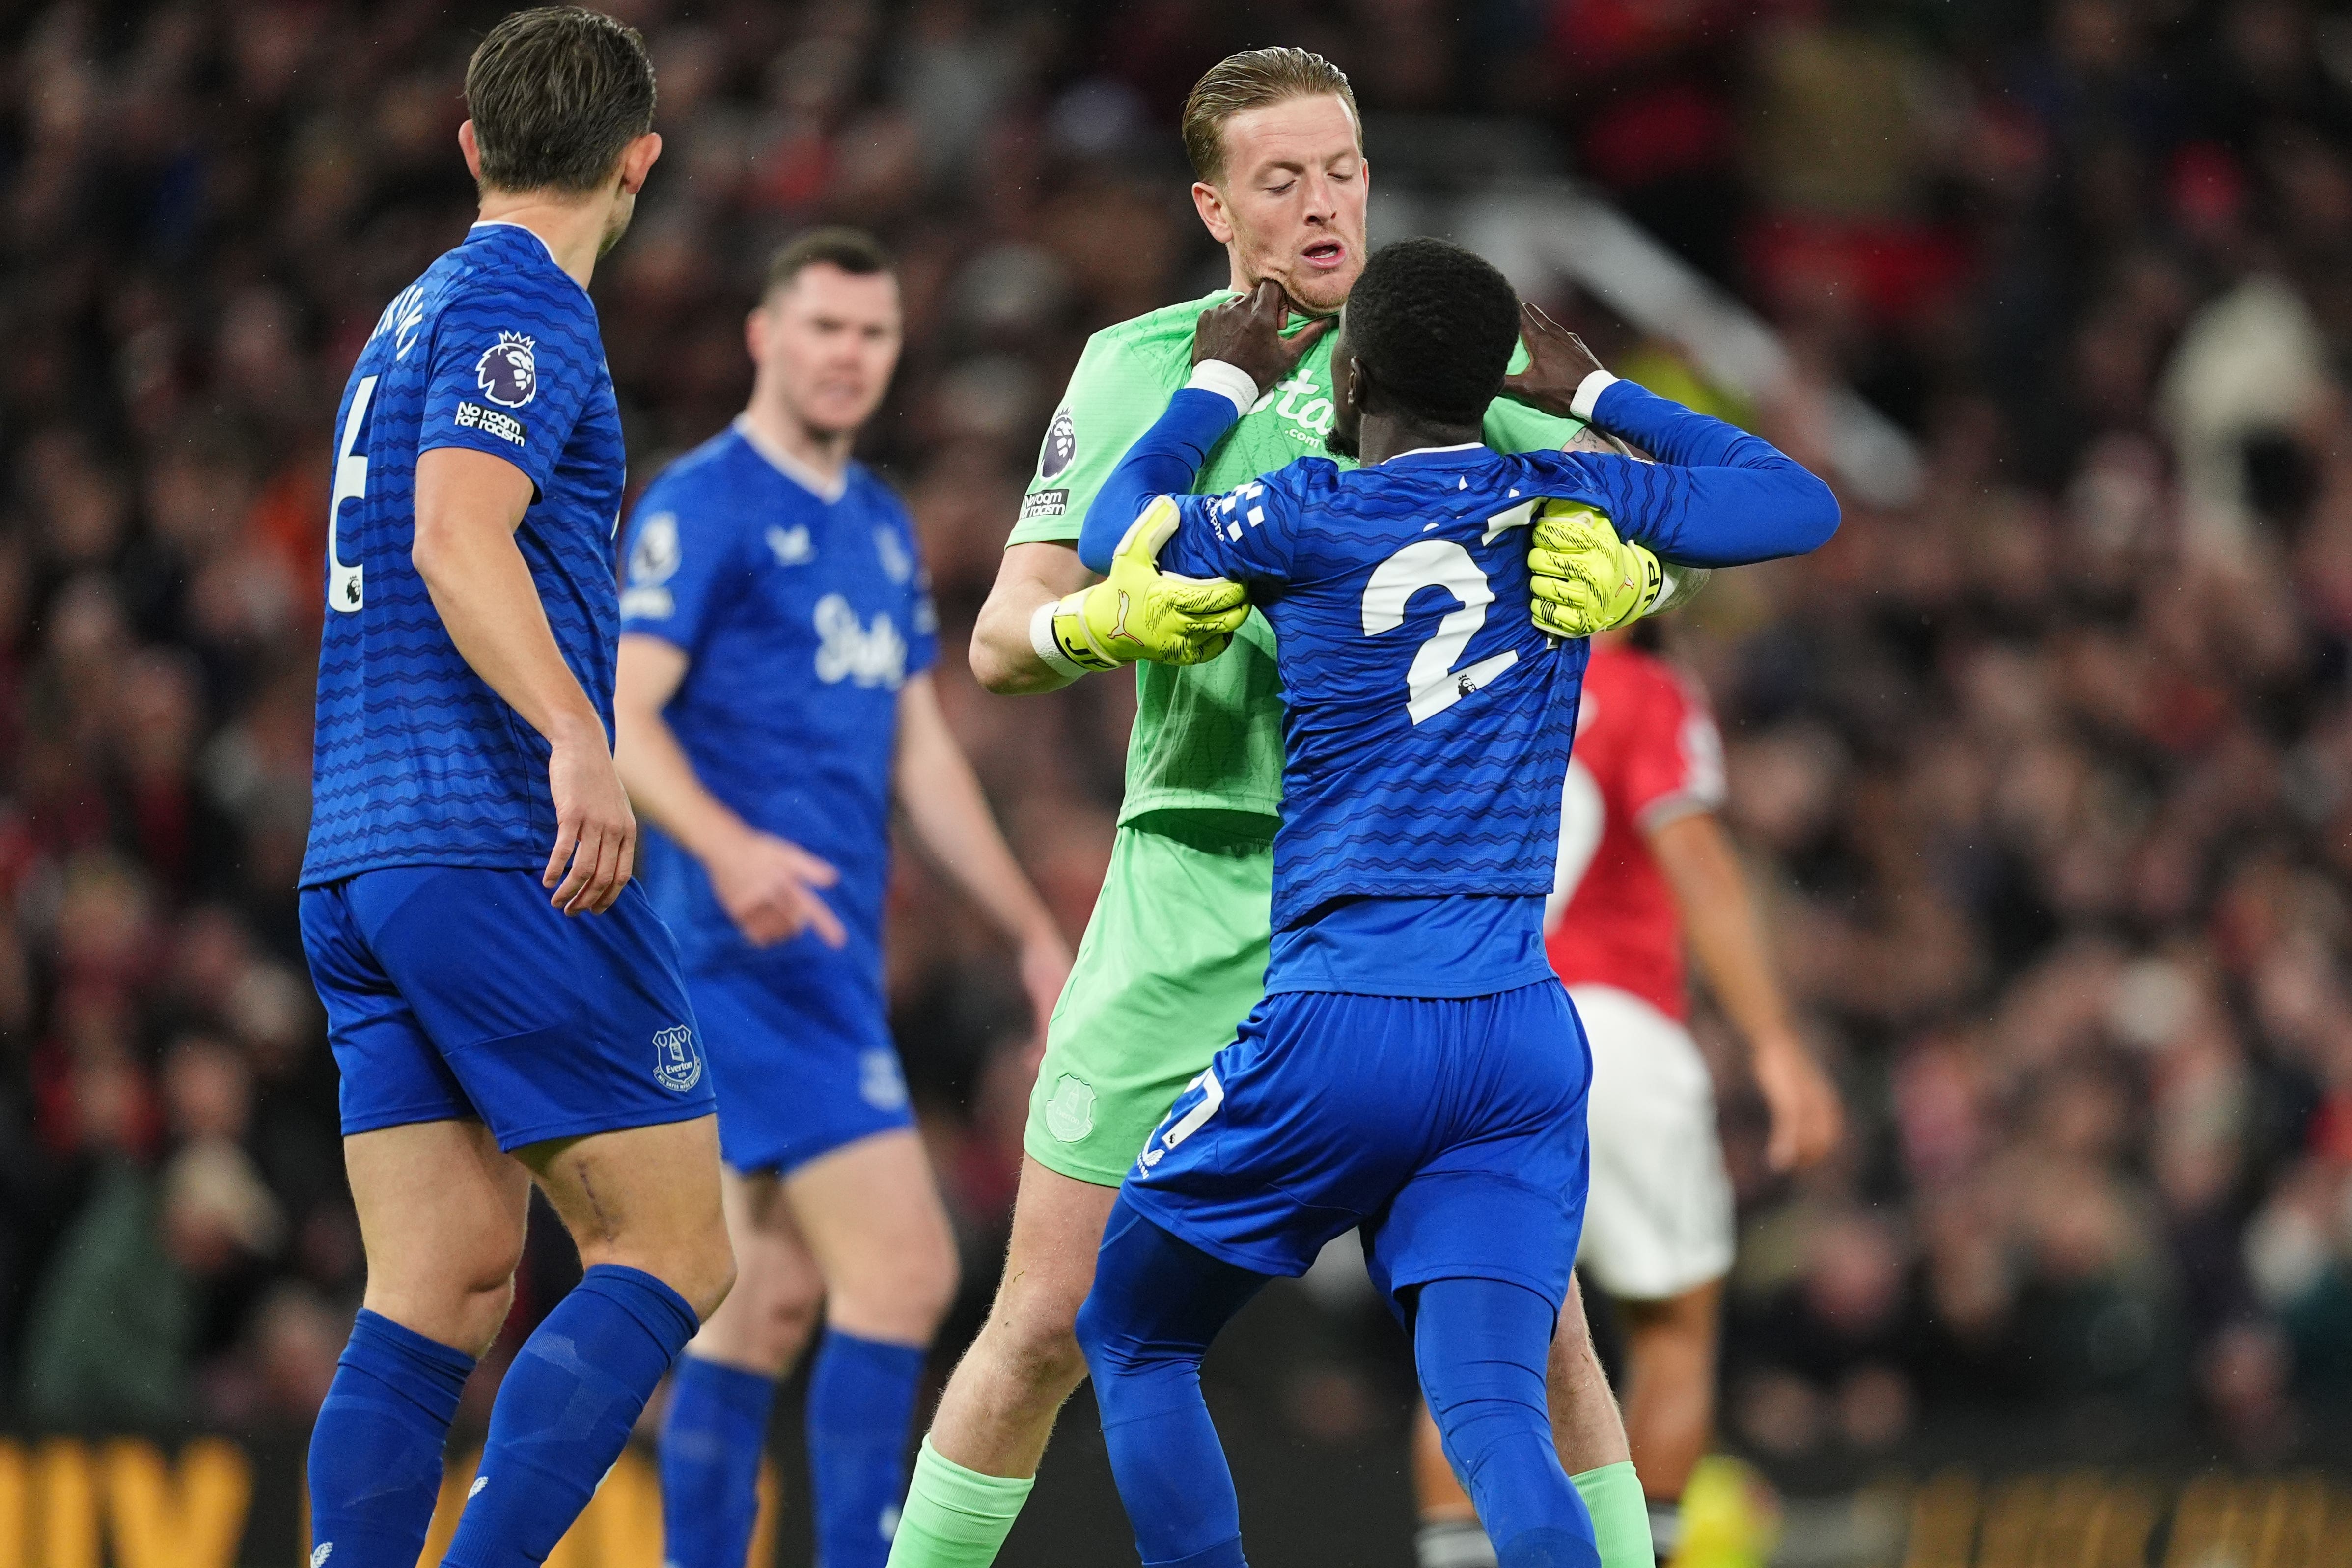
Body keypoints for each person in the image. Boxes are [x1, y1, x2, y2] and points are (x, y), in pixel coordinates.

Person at [890, 51, 1669, 1568]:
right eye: (1281, 181)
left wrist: (1643, 574)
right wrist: (1097, 629)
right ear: (1211, 205)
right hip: (1191, 881)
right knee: (1046, 1318)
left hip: (1397, 907)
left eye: (1343, 169)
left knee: (1541, 1345)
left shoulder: (1447, 338)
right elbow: (998, 636)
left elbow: (1647, 491)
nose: (1324, 207)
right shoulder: (1135, 368)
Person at [1064, 237, 1840, 1568]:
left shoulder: (1299, 514)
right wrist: (1598, 395)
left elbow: (1108, 527)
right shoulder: (1554, 495)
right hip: (1515, 1041)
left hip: (1339, 1023)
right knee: (1492, 1410)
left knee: (1132, 1334)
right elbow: (1792, 502)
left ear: (1349, 371)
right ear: (1495, 388)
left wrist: (1213, 389)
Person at [295, 11, 734, 1568]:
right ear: (640, 160)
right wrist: (574, 733)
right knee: (675, 1242)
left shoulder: (404, 316)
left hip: (357, 854)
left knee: (448, 1274)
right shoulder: (522, 308)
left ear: (472, 145)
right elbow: (454, 535)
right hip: (485, 837)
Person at [611, 228, 1072, 1568]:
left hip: (822, 961)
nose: (846, 355)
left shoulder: (874, 524)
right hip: (728, 946)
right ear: (764, 335)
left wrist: (1027, 925)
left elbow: (916, 750)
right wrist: (729, 848)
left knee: (754, 1309)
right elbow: (625, 721)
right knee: (909, 1268)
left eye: (871, 334)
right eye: (820, 327)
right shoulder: (705, 506)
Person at [1411, 631, 1845, 1567]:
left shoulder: (1464, 677)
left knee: (1472, 1347)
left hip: (1475, 1032)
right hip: (1614, 1032)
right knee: (1674, 1333)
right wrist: (1774, 1042)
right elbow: (1693, 855)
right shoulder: (1642, 689)